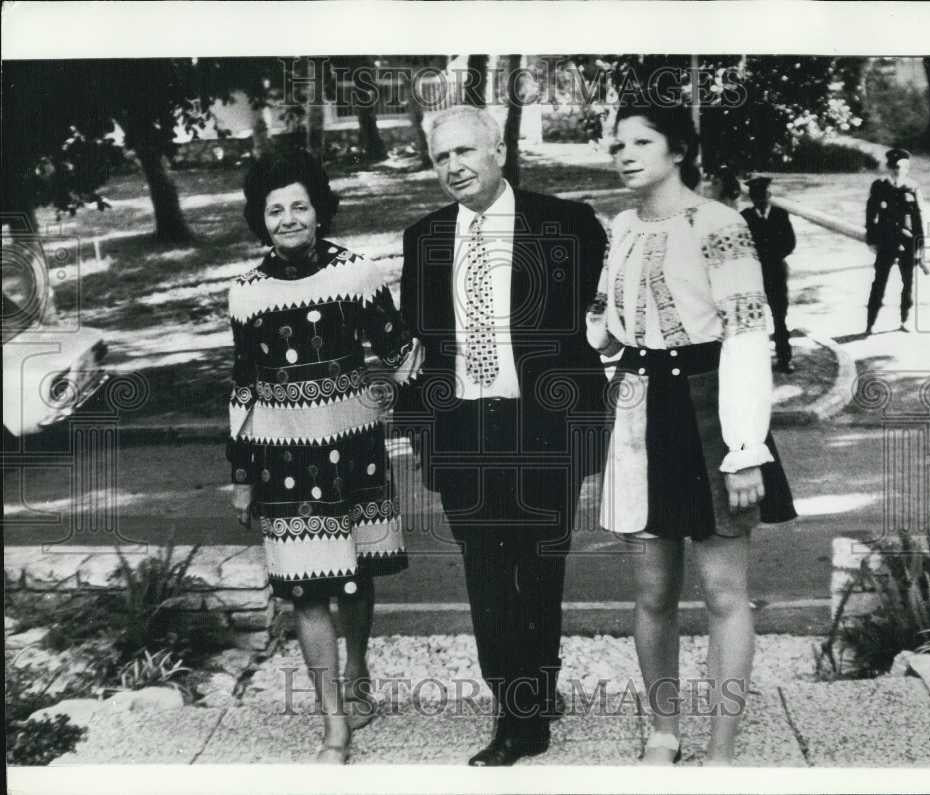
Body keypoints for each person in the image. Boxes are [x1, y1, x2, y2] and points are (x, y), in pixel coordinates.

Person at [585, 96, 797, 766]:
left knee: (725, 594)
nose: (623, 154)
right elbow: (606, 328)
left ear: (678, 150)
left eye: (640, 143)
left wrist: (744, 449)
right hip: (640, 415)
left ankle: (723, 749)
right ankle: (663, 731)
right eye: (617, 144)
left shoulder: (719, 223)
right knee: (652, 594)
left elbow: (745, 338)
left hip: (710, 414)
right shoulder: (619, 226)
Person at [397, 105, 607, 766]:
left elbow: (593, 325)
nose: (455, 167)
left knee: (539, 567)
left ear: (499, 147)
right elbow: (417, 348)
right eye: (441, 158)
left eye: (466, 151)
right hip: (466, 429)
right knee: (487, 573)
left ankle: (538, 692)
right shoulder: (424, 236)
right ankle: (513, 712)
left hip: (542, 426)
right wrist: (423, 436)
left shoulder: (565, 224)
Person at [227, 149, 422, 764]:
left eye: (299, 206)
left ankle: (358, 665)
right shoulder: (245, 294)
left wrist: (377, 406)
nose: (288, 219)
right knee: (307, 588)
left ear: (319, 212)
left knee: (354, 573)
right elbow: (242, 385)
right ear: (262, 220)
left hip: (353, 448)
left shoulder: (358, 275)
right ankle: (333, 720)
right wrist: (240, 475)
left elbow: (402, 355)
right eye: (275, 210)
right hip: (279, 457)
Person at [864, 147, 929, 334]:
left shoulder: (912, 188)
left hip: (907, 242)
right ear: (889, 167)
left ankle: (904, 320)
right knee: (879, 282)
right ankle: (870, 323)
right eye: (893, 167)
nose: (897, 170)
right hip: (885, 241)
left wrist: (920, 245)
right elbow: (871, 215)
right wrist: (871, 240)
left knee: (908, 282)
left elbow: (919, 218)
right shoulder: (880, 186)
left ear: (906, 169)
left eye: (900, 167)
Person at [741, 176, 797, 373]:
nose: (761, 200)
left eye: (763, 196)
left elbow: (790, 242)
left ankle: (784, 358)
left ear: (769, 195)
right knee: (752, 318)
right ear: (752, 198)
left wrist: (772, 256)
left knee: (780, 316)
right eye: (756, 197)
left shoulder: (780, 214)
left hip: (776, 271)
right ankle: (754, 362)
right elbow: (742, 246)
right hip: (753, 274)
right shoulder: (745, 217)